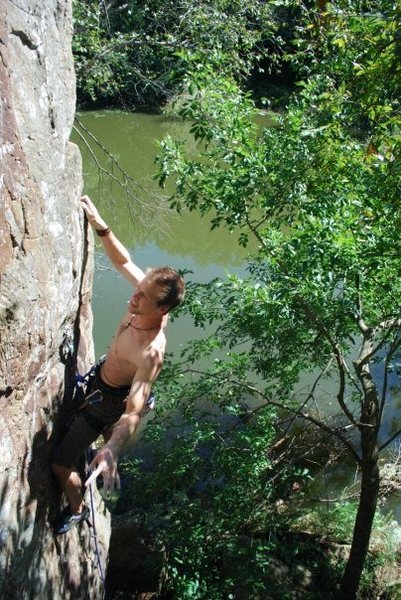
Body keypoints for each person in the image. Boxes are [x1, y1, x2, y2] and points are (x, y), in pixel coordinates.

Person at [52, 195, 185, 534]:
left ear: (163, 311)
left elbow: (134, 410)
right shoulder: (145, 295)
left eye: (143, 297)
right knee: (105, 433)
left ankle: (78, 508)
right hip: (102, 381)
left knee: (59, 464)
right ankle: (104, 448)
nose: (133, 297)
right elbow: (124, 261)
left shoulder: (152, 352)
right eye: (138, 288)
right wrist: (102, 226)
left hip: (108, 403)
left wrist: (111, 450)